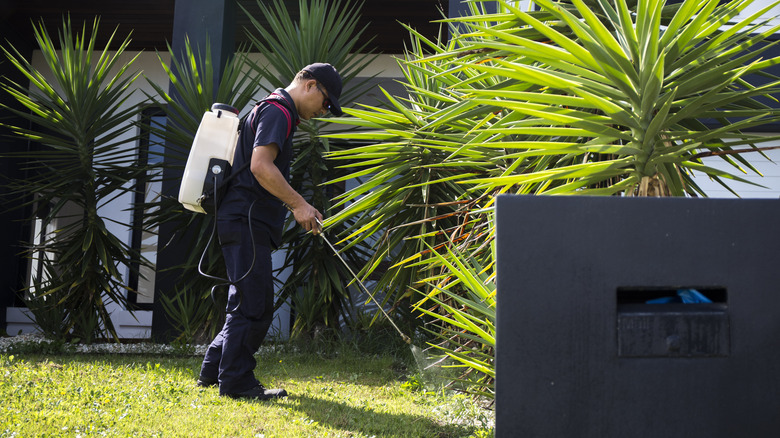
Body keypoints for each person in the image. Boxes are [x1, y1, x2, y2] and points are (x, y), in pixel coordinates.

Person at [197, 63, 344, 400]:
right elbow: (260, 166)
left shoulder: (272, 109)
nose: (324, 111)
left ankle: (212, 373)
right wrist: (299, 205)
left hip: (241, 219)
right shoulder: (278, 111)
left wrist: (293, 204)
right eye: (326, 102)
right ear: (310, 85)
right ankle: (236, 383)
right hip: (245, 220)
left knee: (245, 300)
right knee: (255, 304)